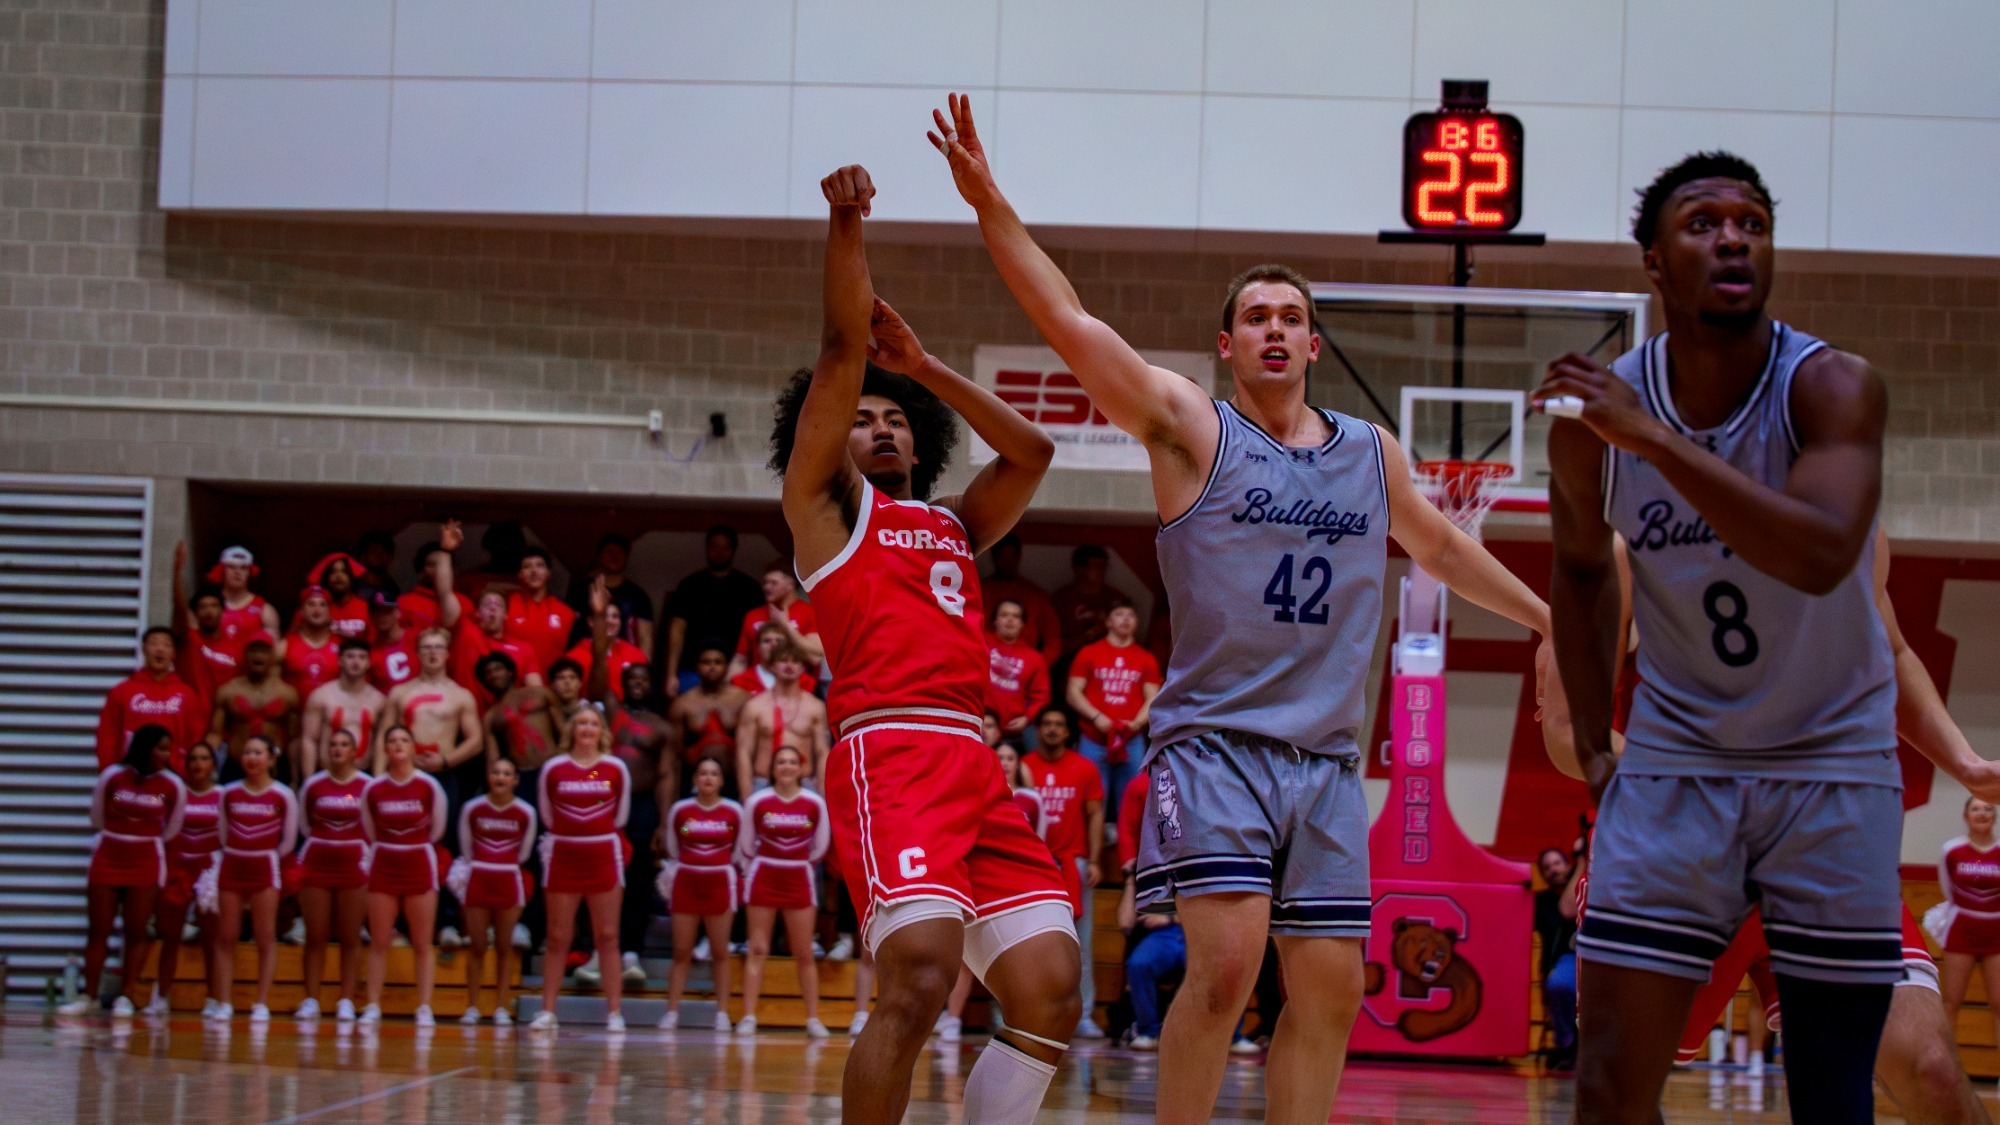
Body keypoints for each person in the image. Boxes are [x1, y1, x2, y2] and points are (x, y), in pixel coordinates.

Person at [932, 92, 1555, 1123]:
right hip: (1214, 747)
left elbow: (1440, 545)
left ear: (1313, 346)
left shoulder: (1368, 454)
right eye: (1255, 317)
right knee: (1222, 967)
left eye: (1291, 319)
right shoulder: (1190, 432)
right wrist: (991, 203)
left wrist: (1549, 621)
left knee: (1331, 989)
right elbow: (1069, 321)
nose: (1274, 329)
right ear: (1225, 346)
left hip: (1320, 761)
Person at [1539, 152, 1901, 1124]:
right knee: (1606, 1092)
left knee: (1831, 1095)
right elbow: (1576, 573)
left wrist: (1656, 441)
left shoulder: (1829, 387)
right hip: (1678, 756)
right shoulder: (1588, 420)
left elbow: (1822, 553)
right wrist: (1589, 744)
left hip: (1828, 756)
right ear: (1652, 262)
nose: (1732, 237)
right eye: (1702, 224)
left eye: (1750, 222)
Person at [772, 162, 1078, 1124]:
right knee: (918, 975)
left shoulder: (952, 521)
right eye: (862, 420)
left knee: (1049, 982)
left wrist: (928, 368)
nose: (880, 425)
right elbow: (835, 348)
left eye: (895, 416)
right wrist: (847, 223)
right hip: (891, 749)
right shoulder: (825, 514)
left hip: (974, 761)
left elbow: (1034, 452)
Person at [583, 580, 676, 988]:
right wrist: (602, 620)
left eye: (643, 679)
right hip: (603, 804)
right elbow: (599, 668)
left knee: (637, 881)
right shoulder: (612, 712)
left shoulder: (661, 727)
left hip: (641, 809)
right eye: (631, 678)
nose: (636, 683)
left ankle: (632, 951)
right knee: (601, 878)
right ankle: (594, 951)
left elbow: (667, 776)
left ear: (650, 683)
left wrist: (663, 822)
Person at [61, 725, 186, 1017]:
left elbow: (172, 829)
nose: (166, 755)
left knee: (136, 930)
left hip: (146, 860)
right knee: (98, 930)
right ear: (145, 747)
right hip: (108, 856)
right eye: (162, 748)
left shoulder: (172, 785)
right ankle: (89, 995)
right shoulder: (112, 776)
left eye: (169, 749)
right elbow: (96, 817)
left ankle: (126, 996)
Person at [532, 706, 633, 1033]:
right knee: (558, 936)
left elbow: (620, 817)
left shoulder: (615, 768)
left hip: (603, 853)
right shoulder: (553, 768)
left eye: (593, 723)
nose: (587, 728)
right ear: (572, 730)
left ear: (601, 730)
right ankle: (547, 1011)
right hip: (563, 855)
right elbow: (547, 816)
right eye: (581, 723)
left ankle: (615, 1013)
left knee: (607, 935)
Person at [736, 745, 832, 1037]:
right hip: (764, 875)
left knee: (803, 952)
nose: (787, 767)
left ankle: (813, 1018)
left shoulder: (814, 803)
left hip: (799, 877)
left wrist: (796, 863)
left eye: (792, 762)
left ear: (801, 768)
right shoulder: (757, 802)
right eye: (781, 762)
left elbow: (820, 846)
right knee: (758, 948)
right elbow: (745, 845)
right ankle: (748, 1016)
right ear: (772, 768)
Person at [1021, 706, 1105, 1037]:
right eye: (1047, 724)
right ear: (1038, 729)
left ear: (1069, 732)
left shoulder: (1084, 768)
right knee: (1028, 943)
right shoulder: (1024, 766)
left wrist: (1095, 860)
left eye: (1059, 724)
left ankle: (1083, 1015)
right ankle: (1026, 1014)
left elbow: (1096, 814)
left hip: (1074, 863)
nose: (1053, 729)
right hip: (1032, 866)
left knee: (1081, 944)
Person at [358, 725, 449, 1027]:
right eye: (392, 740)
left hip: (419, 862)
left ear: (413, 747)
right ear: (385, 749)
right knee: (379, 941)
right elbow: (369, 829)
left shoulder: (429, 786)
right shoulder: (373, 788)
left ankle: (424, 1006)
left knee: (422, 942)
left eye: (404, 740)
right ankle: (372, 1005)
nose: (398, 745)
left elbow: (437, 829)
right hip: (384, 862)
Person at [211, 733, 298, 1023]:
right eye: (247, 752)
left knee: (264, 937)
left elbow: (288, 840)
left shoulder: (283, 795)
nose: (252, 758)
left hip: (265, 867)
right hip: (232, 866)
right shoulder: (228, 793)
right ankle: (223, 1001)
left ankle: (261, 1002)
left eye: (258, 752)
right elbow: (222, 834)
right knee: (226, 936)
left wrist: (266, 854)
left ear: (271, 758)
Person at [660, 756, 745, 1031]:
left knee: (720, 952)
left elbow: (739, 851)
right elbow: (673, 848)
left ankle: (721, 1013)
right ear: (695, 779)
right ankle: (672, 1012)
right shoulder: (681, 810)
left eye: (714, 773)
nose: (708, 778)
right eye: (703, 773)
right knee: (681, 952)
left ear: (721, 780)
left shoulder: (734, 811)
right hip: (686, 882)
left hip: (720, 882)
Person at [453, 756, 537, 1026]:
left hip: (509, 881)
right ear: (488, 777)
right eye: (496, 772)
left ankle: (501, 1006)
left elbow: (524, 853)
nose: (500, 777)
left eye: (506, 773)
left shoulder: (526, 812)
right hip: (478, 879)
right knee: (477, 945)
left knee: (504, 945)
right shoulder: (472, 808)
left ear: (515, 780)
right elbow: (466, 848)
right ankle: (472, 1006)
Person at [294, 728, 370, 1022]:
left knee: (350, 937)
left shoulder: (367, 786)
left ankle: (346, 1001)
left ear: (355, 752)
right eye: (333, 744)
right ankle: (311, 999)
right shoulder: (313, 785)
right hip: (317, 863)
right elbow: (304, 825)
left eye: (344, 745)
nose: (338, 749)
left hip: (354, 865)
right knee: (315, 936)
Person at [1065, 602, 1161, 816]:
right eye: (1119, 614)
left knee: (1132, 805)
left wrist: (1135, 724)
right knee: (1091, 803)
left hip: (1131, 739)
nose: (1125, 619)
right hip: (1093, 738)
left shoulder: (1146, 659)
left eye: (1131, 615)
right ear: (1108, 622)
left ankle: (1126, 850)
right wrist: (1097, 717)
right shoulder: (1089, 653)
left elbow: (1152, 698)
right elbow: (1073, 693)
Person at [374, 627, 482, 808]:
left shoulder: (461, 695)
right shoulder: (400, 692)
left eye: (439, 647)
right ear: (417, 653)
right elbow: (383, 735)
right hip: (403, 770)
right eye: (427, 647)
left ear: (448, 653)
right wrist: (377, 779)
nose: (433, 652)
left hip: (443, 772)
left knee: (443, 832)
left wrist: (446, 761)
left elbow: (476, 741)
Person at [153, 740, 222, 1017]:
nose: (198, 764)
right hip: (179, 869)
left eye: (204, 758)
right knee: (170, 936)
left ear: (213, 764)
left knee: (211, 939)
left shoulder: (223, 794)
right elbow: (146, 803)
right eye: (193, 758)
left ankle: (215, 998)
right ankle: (161, 995)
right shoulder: (174, 792)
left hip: (209, 872)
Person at [661, 525, 764, 698]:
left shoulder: (749, 588)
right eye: (714, 546)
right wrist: (671, 674)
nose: (719, 552)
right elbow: (677, 630)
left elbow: (758, 633)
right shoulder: (689, 585)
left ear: (733, 550)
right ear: (707, 549)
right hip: (691, 671)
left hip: (736, 670)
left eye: (725, 547)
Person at [1940, 798, 2000, 1054]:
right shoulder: (1951, 850)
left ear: (1995, 816)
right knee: (1951, 1003)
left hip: (1996, 932)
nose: (1982, 813)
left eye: (1988, 809)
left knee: (1999, 1003)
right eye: (1976, 808)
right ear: (1966, 816)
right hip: (1961, 931)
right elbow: (1947, 889)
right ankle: (1946, 1075)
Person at [97, 625, 201, 771]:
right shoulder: (122, 690)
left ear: (174, 653)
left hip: (173, 775)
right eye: (153, 643)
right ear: (144, 649)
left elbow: (195, 738)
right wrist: (109, 772)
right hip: (129, 775)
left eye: (166, 645)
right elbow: (107, 736)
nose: (160, 649)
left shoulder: (186, 694)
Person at [734, 639, 829, 796]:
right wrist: (746, 798)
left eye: (795, 661)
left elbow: (822, 753)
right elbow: (743, 753)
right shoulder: (754, 707)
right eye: (783, 660)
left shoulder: (815, 707)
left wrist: (822, 795)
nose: (789, 666)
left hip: (805, 784)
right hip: (762, 784)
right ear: (771, 666)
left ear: (802, 667)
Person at [206, 635, 299, 785]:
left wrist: (295, 776)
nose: (258, 656)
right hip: (237, 765)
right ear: (245, 656)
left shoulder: (288, 693)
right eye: (253, 651)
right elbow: (215, 734)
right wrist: (208, 770)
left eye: (263, 651)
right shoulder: (228, 691)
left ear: (273, 656)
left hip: (274, 766)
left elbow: (294, 739)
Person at [173, 543, 241, 718]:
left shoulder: (237, 648)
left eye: (214, 606)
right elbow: (180, 609)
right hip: (190, 719)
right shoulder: (189, 640)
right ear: (195, 613)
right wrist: (176, 573)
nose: (209, 611)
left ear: (223, 611)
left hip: (223, 725)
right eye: (203, 607)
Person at [299, 640, 385, 779]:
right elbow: (309, 740)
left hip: (363, 774)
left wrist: (377, 779)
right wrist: (309, 780)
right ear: (340, 660)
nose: (356, 662)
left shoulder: (379, 701)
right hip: (327, 773)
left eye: (362, 657)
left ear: (369, 662)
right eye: (350, 656)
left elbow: (380, 744)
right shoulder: (321, 696)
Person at [454, 586, 546, 709]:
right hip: (469, 711)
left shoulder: (524, 648)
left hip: (508, 716)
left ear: (506, 614)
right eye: (487, 604)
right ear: (477, 612)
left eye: (498, 605)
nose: (492, 608)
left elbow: (536, 691)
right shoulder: (466, 633)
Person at [669, 644, 749, 783]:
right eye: (706, 662)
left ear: (727, 666)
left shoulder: (743, 699)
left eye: (718, 662)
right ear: (697, 667)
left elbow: (750, 749)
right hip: (695, 781)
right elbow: (675, 755)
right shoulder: (682, 704)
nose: (712, 667)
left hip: (734, 781)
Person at [728, 562, 823, 677]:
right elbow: (740, 660)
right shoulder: (753, 615)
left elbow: (816, 658)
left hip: (797, 686)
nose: (766, 587)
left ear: (790, 584)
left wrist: (786, 627)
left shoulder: (808, 612)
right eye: (765, 583)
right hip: (759, 685)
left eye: (773, 583)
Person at [1533, 846, 1581, 1070]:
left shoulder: (1587, 886)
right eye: (1547, 867)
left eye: (1557, 864)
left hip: (1596, 957)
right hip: (1567, 959)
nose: (1553, 870)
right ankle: (1567, 1044)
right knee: (1559, 985)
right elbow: (1566, 912)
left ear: (1568, 866)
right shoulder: (1542, 903)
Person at [567, 533, 654, 656]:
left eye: (620, 552)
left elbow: (645, 639)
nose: (614, 556)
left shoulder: (639, 596)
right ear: (600, 556)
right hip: (584, 659)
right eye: (609, 551)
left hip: (624, 663)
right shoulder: (581, 590)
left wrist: (644, 672)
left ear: (627, 557)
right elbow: (567, 630)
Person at [983, 534, 1062, 667]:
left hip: (1023, 669)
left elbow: (1053, 640)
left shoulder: (1036, 595)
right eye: (1003, 556)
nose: (1007, 561)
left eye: (1012, 556)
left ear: (1019, 557)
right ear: (994, 557)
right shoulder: (979, 590)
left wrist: (1036, 667)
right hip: (985, 663)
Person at [1050, 545, 1127, 672]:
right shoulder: (1061, 599)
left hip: (1109, 666)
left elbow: (1128, 641)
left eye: (1104, 566)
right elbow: (1052, 645)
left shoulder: (1116, 598)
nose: (1102, 570)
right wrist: (1089, 634)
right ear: (1079, 569)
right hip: (1068, 664)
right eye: (1096, 566)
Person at [987, 599, 1050, 748]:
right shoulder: (979, 642)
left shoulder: (1035, 658)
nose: (1010, 620)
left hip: (1014, 731)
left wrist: (1027, 719)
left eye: (1016, 617)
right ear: (995, 620)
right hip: (978, 723)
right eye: (1004, 615)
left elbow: (1041, 698)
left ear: (1022, 624)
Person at [505, 546, 576, 674]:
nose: (534, 571)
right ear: (519, 574)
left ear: (548, 572)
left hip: (552, 688)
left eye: (540, 565)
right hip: (515, 688)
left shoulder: (566, 613)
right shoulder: (506, 605)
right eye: (527, 566)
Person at [396, 525, 475, 636]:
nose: (439, 570)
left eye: (443, 565)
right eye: (432, 565)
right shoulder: (404, 603)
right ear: (421, 571)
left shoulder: (465, 603)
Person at [563, 601, 647, 704]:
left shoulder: (636, 655)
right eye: (604, 616)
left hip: (626, 714)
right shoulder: (574, 657)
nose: (610, 621)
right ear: (591, 621)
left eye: (615, 617)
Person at [279, 585, 342, 704]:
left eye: (322, 605)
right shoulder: (284, 646)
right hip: (294, 716)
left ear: (329, 611)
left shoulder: (342, 647)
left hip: (330, 717)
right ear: (301, 611)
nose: (317, 609)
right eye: (311, 604)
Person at [209, 545, 280, 648]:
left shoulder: (265, 610)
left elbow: (273, 652)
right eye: (231, 567)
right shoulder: (207, 605)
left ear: (249, 573)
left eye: (243, 568)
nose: (237, 572)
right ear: (222, 570)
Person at [729, 620, 821, 697]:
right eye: (767, 641)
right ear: (758, 647)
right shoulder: (740, 682)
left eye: (779, 640)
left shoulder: (807, 683)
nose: (773, 645)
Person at [308, 552, 373, 644]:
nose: (338, 576)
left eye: (344, 572)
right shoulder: (315, 607)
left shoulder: (366, 607)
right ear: (327, 578)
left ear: (351, 577)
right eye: (333, 572)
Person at [367, 591, 417, 694]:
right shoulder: (369, 650)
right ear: (371, 617)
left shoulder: (418, 639)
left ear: (398, 612)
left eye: (387, 611)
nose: (382, 616)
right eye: (376, 612)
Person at [354, 531, 401, 601]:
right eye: (374, 550)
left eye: (384, 551)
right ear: (363, 556)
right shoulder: (351, 586)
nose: (379, 555)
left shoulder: (392, 589)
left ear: (391, 557)